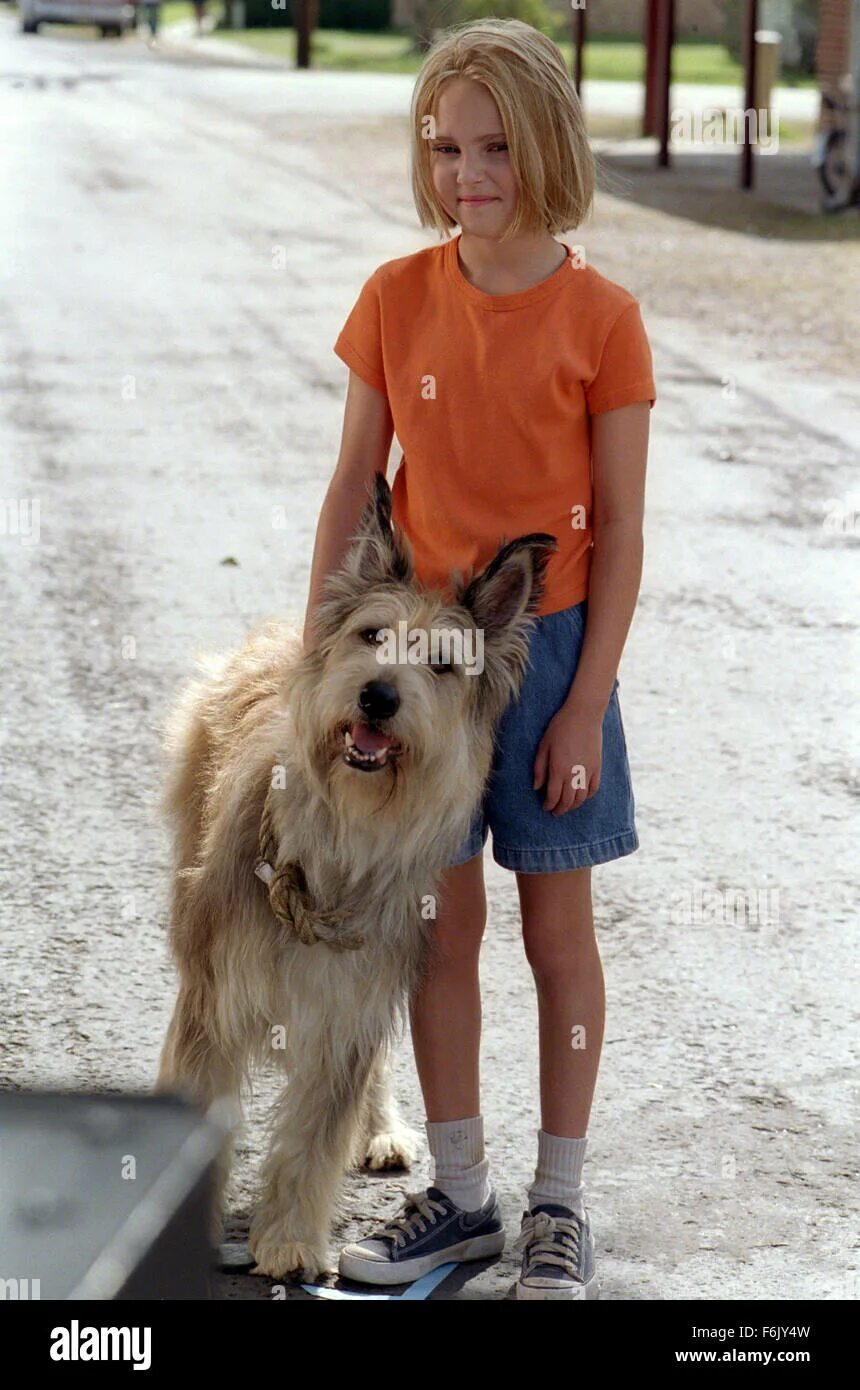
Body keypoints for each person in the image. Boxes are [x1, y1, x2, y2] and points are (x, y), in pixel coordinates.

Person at [302, 17, 656, 1301]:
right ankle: (458, 1197)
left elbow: (617, 534)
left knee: (554, 934)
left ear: (547, 146)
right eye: (445, 148)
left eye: (495, 147)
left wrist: (584, 705)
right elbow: (352, 486)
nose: (466, 172)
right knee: (436, 935)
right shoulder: (395, 297)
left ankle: (557, 1201)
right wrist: (315, 670)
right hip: (412, 655)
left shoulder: (604, 319)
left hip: (547, 651)